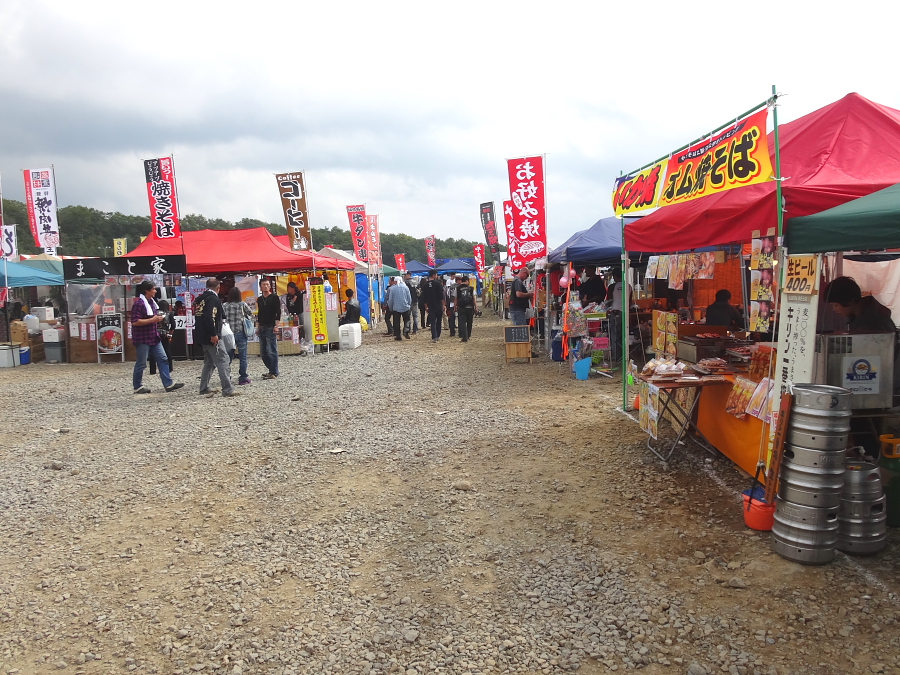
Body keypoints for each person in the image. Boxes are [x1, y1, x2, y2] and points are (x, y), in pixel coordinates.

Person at [130, 280, 184, 394]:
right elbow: (135, 321)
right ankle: (137, 386)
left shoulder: (152, 302)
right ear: (147, 290)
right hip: (142, 338)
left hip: (154, 336)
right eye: (153, 289)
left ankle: (168, 383)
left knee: (163, 358)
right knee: (142, 363)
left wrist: (159, 319)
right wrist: (152, 320)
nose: (155, 291)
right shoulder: (139, 304)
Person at [194, 278, 238, 397]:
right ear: (218, 288)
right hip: (211, 335)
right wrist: (214, 334)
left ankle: (204, 387)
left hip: (201, 334)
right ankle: (227, 389)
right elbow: (210, 317)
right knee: (223, 360)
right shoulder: (213, 299)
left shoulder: (200, 298)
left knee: (209, 362)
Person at [824, 276, 897, 333]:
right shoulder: (861, 315)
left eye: (836, 305)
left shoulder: (871, 323)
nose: (834, 309)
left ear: (850, 301)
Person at [224, 286, 253, 385]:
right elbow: (250, 314)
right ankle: (243, 378)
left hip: (228, 334)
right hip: (241, 332)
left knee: (228, 357)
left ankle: (226, 377)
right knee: (243, 356)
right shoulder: (242, 304)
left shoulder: (224, 305)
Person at [257, 278, 281, 379]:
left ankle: (274, 372)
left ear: (270, 286)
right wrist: (258, 326)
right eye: (264, 285)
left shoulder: (274, 297)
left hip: (271, 326)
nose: (266, 286)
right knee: (263, 352)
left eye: (267, 284)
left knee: (272, 350)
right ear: (260, 287)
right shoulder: (259, 299)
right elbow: (260, 313)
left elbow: (278, 312)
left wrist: (276, 326)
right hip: (262, 326)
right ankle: (271, 370)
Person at [149, 299, 175, 376]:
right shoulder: (169, 313)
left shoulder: (153, 313)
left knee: (152, 352)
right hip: (164, 334)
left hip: (154, 334)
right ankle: (169, 368)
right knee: (167, 351)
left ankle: (152, 370)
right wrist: (170, 333)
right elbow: (173, 325)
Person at [421, 269, 445, 342]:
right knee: (439, 321)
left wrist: (426, 307)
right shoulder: (438, 284)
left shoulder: (425, 285)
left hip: (430, 305)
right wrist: (443, 305)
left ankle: (434, 336)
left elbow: (424, 298)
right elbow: (442, 296)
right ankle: (438, 335)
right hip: (438, 304)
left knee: (432, 321)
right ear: (434, 275)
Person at [386, 275, 412, 341]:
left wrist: (390, 307)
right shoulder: (406, 287)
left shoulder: (392, 289)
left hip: (396, 308)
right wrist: (409, 305)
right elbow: (409, 298)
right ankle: (406, 330)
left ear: (396, 281)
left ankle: (398, 336)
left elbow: (390, 300)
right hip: (405, 307)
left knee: (396, 322)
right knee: (407, 320)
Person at [456, 275, 476, 342]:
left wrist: (455, 306)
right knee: (469, 322)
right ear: (467, 281)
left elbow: (456, 298)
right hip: (470, 307)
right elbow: (474, 298)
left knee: (462, 322)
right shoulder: (471, 288)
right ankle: (469, 335)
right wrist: (476, 307)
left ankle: (464, 336)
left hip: (461, 307)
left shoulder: (458, 288)